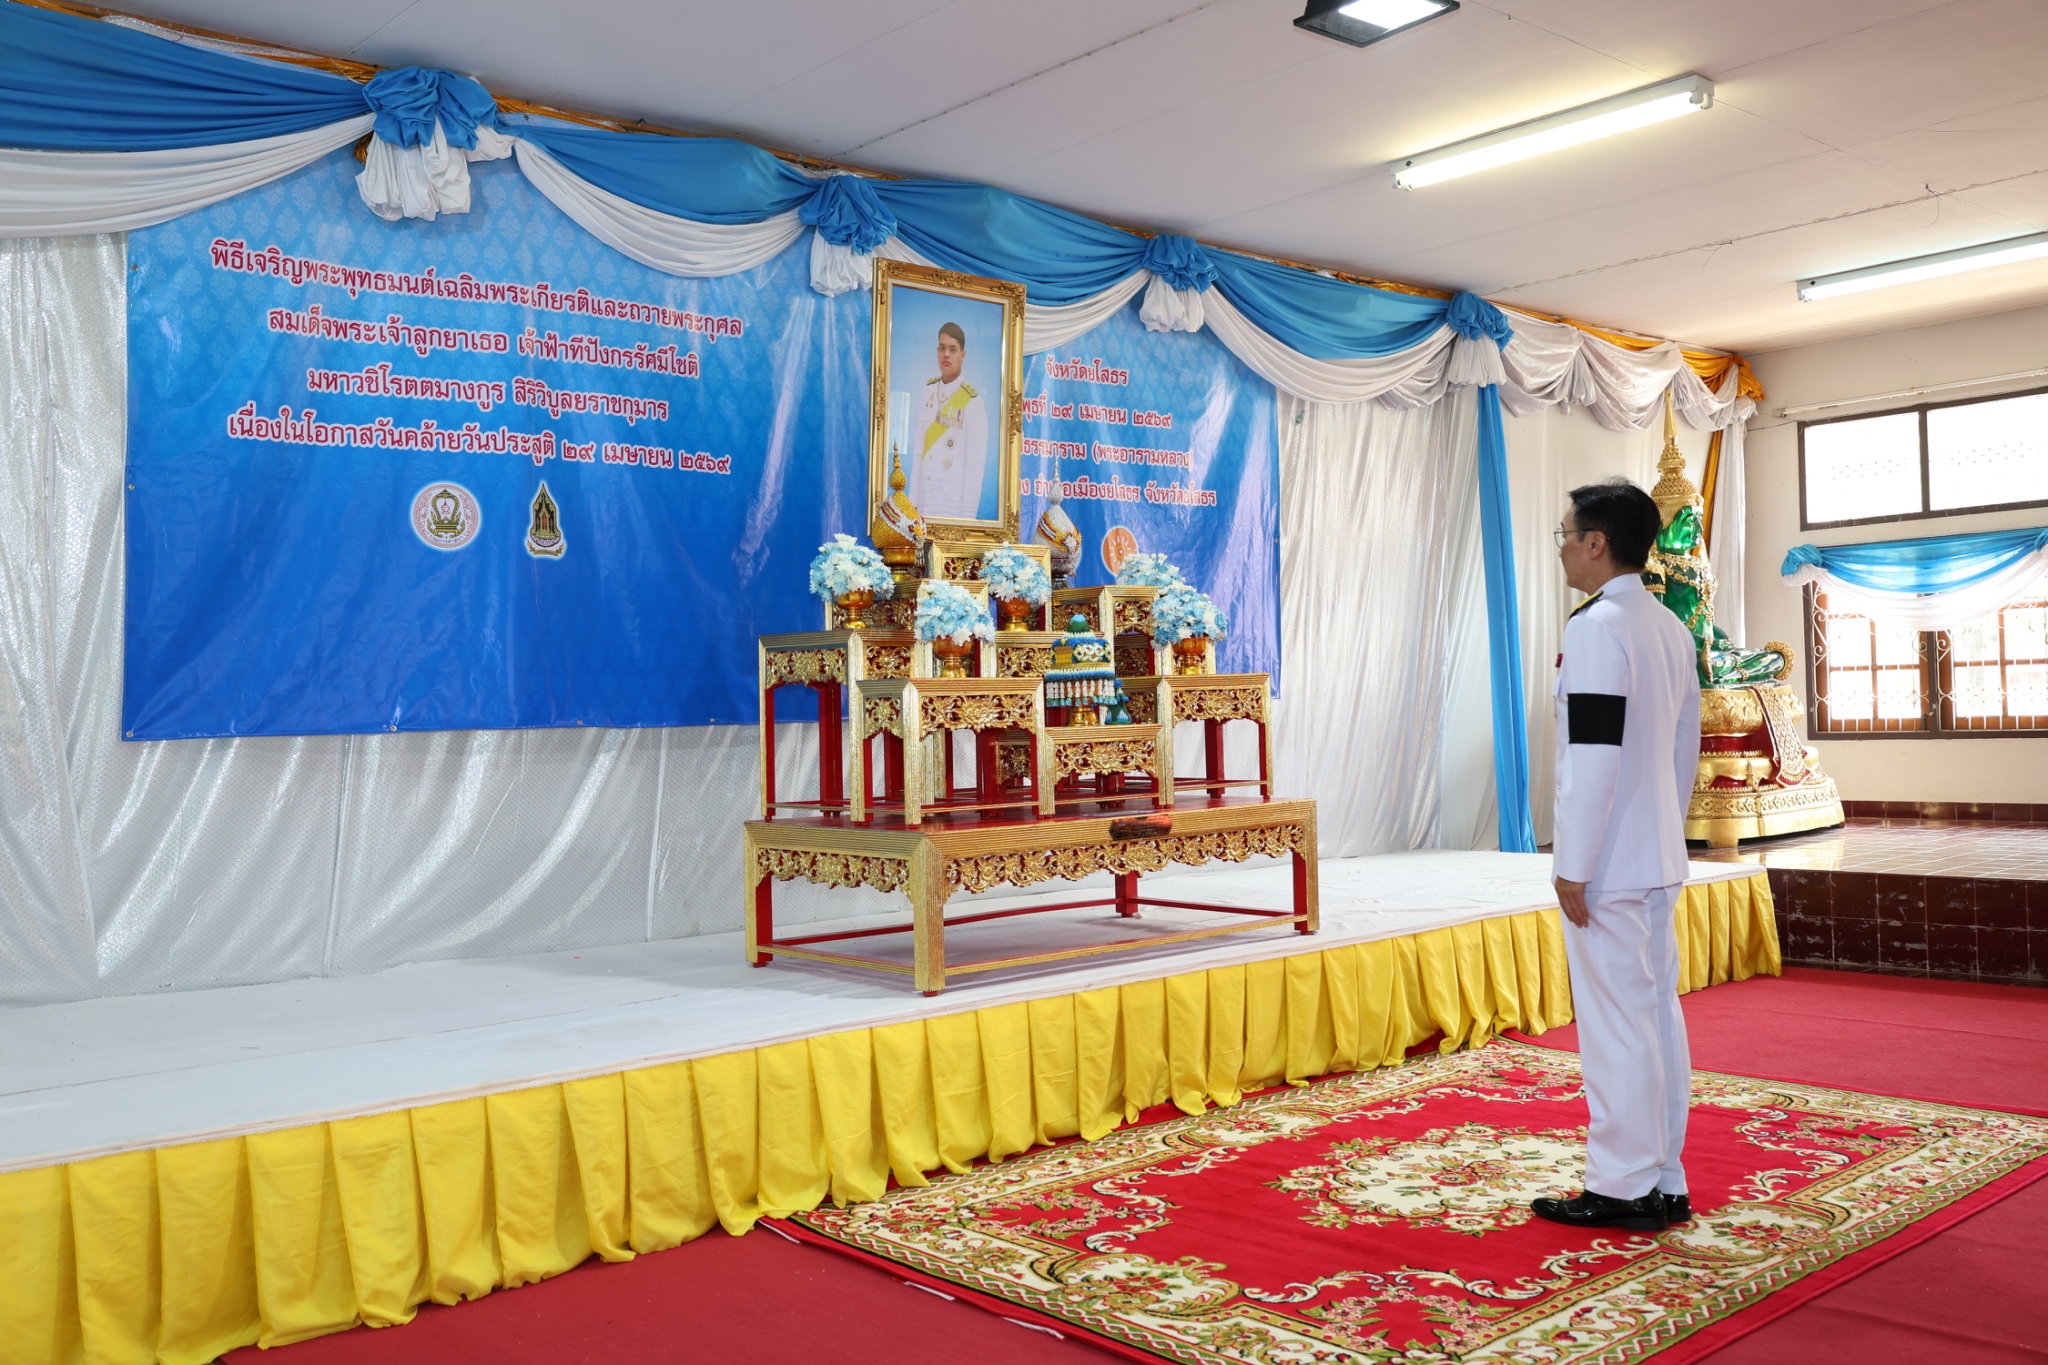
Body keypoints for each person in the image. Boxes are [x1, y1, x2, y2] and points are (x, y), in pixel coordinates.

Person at [1532, 478, 1703, 1234]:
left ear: (1597, 542)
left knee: (1616, 1023)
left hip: (1609, 862)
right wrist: (1660, 831)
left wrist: (1575, 862)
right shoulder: (1669, 625)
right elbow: (1683, 754)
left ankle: (1621, 1184)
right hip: (1655, 852)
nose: (1563, 546)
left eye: (1568, 533)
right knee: (1655, 1015)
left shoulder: (1602, 627)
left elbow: (1593, 754)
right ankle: (1663, 1175)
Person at [908, 321, 988, 518]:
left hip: (952, 509)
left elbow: (974, 469)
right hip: (925, 505)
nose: (946, 354)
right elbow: (919, 453)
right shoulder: (928, 392)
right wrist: (912, 506)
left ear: (962, 355)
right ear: (937, 351)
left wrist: (966, 520)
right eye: (942, 348)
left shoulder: (973, 403)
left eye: (953, 349)